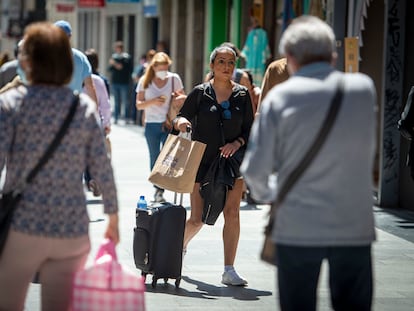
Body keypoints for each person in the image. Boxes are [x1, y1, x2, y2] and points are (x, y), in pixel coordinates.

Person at [241, 15, 376, 311]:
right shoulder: (363, 89)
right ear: (333, 55)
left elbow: (254, 170)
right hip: (353, 223)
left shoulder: (279, 98)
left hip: (297, 224)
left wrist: (275, 193)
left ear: (288, 58)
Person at [0, 22, 119, 310]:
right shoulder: (83, 109)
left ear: (27, 62)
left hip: (23, 226)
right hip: (71, 229)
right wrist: (113, 218)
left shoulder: (10, 104)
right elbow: (102, 169)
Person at [173, 46, 254, 286]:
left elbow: (251, 131)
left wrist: (237, 143)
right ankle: (180, 247)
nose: (227, 66)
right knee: (197, 219)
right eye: (221, 61)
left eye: (231, 62)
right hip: (201, 160)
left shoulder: (242, 95)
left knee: (232, 213)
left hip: (232, 163)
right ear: (212, 65)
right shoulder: (200, 93)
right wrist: (183, 122)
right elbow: (179, 117)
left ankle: (229, 269)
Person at [135, 52, 186, 203]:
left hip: (169, 123)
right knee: (154, 157)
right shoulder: (145, 80)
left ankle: (163, 185)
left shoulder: (173, 79)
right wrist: (153, 101)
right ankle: (158, 190)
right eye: (161, 68)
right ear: (154, 67)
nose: (164, 71)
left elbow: (183, 98)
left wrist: (177, 97)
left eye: (166, 68)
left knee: (168, 157)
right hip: (151, 124)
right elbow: (138, 104)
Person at [84, 48, 113, 196]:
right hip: (97, 123)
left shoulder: (74, 80)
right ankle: (93, 178)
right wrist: (106, 123)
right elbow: (105, 104)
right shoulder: (100, 81)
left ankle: (88, 180)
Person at [54, 20, 98, 106]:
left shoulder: (44, 57)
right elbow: (90, 86)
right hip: (74, 109)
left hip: (51, 108)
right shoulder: (81, 57)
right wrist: (95, 111)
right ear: (70, 36)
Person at [108, 41, 133, 124]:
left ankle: (126, 118)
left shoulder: (126, 57)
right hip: (115, 82)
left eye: (118, 48)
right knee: (116, 101)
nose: (117, 49)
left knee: (125, 101)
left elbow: (122, 68)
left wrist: (114, 63)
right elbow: (109, 69)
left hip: (124, 83)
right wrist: (113, 64)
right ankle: (116, 118)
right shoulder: (114, 57)